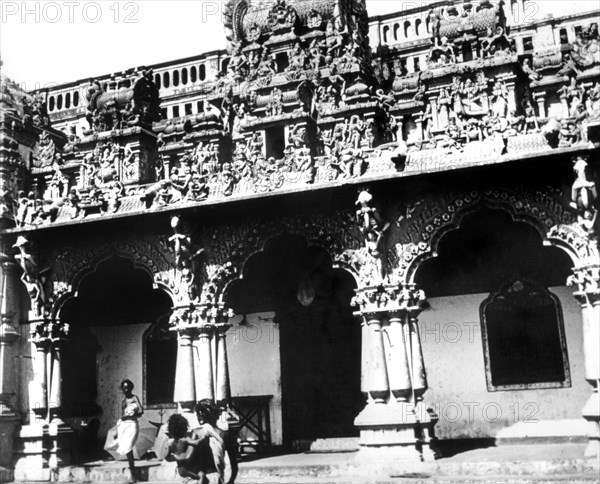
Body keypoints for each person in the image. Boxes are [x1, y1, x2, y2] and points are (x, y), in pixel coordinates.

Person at [108, 379, 143, 482]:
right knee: (125, 447)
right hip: (124, 425)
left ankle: (133, 473)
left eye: (127, 387)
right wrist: (121, 421)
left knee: (128, 446)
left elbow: (141, 411)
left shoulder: (134, 398)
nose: (126, 389)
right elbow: (122, 413)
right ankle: (132, 469)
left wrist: (131, 415)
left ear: (131, 388)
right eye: (124, 387)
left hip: (132, 425)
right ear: (122, 389)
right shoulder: (123, 399)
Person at [166, 414, 203, 482]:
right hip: (189, 468)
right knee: (202, 476)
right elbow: (187, 456)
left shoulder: (171, 443)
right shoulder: (186, 439)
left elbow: (167, 457)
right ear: (185, 427)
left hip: (180, 469)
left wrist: (175, 456)